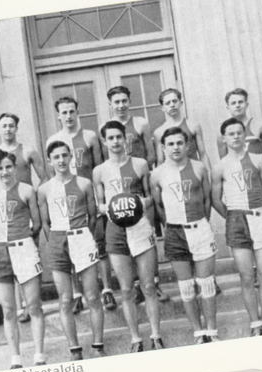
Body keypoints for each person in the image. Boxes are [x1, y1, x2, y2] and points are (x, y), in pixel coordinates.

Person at [93, 120, 163, 353]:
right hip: (115, 230)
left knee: (148, 285)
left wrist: (139, 202)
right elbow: (99, 205)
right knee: (125, 289)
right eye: (110, 138)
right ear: (104, 142)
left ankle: (155, 334)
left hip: (140, 226)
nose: (115, 141)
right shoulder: (99, 171)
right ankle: (135, 338)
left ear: (126, 139)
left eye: (118, 137)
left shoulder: (140, 164)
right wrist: (113, 206)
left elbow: (150, 197)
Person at [46, 95, 116, 314]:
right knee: (71, 246)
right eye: (64, 112)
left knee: (98, 244)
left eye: (71, 111)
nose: (68, 116)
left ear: (77, 112)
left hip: (88, 195)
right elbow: (52, 175)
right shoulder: (53, 140)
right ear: (58, 116)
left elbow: (99, 168)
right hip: (67, 200)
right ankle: (77, 293)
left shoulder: (90, 136)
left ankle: (107, 289)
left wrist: (99, 198)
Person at [37, 140, 105, 360]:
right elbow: (45, 222)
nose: (61, 160)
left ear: (71, 157)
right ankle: (75, 349)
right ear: (50, 161)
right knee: (65, 299)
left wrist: (84, 236)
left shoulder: (84, 183)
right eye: (56, 157)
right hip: (58, 239)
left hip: (81, 236)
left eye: (64, 155)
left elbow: (93, 217)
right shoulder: (44, 189)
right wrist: (55, 242)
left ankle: (98, 345)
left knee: (92, 296)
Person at [150, 126, 218, 344]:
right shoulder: (157, 174)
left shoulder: (199, 167)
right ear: (163, 148)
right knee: (186, 286)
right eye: (170, 144)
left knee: (206, 283)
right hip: (175, 232)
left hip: (199, 228)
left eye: (180, 143)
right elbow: (159, 206)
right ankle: (198, 332)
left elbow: (206, 199)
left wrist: (202, 222)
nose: (176, 147)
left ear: (187, 145)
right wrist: (171, 226)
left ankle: (212, 330)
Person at [211, 117, 262, 337]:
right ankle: (255, 324)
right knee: (246, 276)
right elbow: (216, 199)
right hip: (237, 221)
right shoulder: (220, 166)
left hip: (260, 218)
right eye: (231, 134)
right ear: (224, 138)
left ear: (244, 135)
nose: (236, 137)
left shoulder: (258, 160)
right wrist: (232, 216)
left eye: (239, 132)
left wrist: (260, 211)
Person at [0, 148, 45, 369]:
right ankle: (15, 357)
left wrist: (23, 239)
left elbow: (37, 223)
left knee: (33, 305)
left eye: (8, 167)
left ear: (15, 167)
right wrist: (0, 241)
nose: (4, 172)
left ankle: (39, 354)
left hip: (23, 248)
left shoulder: (26, 190)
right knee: (8, 309)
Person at [0, 112, 46, 324]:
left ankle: (31, 304)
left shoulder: (27, 150)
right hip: (6, 214)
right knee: (8, 261)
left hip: (25, 209)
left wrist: (32, 200)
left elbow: (44, 177)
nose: (8, 129)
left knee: (28, 258)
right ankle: (19, 307)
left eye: (11, 125)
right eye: (4, 126)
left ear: (16, 128)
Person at [216, 88, 262, 164]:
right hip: (236, 170)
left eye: (240, 102)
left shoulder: (259, 125)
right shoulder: (223, 131)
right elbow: (224, 160)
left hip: (258, 169)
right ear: (228, 107)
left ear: (246, 104)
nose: (237, 105)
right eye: (233, 103)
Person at [103, 84, 156, 165]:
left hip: (139, 169)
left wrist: (143, 170)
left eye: (124, 101)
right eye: (117, 102)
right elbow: (106, 159)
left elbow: (151, 155)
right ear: (110, 104)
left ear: (129, 101)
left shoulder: (141, 123)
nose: (121, 105)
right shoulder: (105, 127)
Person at [152, 88, 206, 166]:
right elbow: (160, 161)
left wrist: (208, 172)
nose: (172, 105)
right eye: (168, 103)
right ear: (162, 108)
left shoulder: (193, 126)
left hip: (193, 170)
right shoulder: (159, 132)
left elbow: (203, 155)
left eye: (174, 101)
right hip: (172, 171)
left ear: (180, 103)